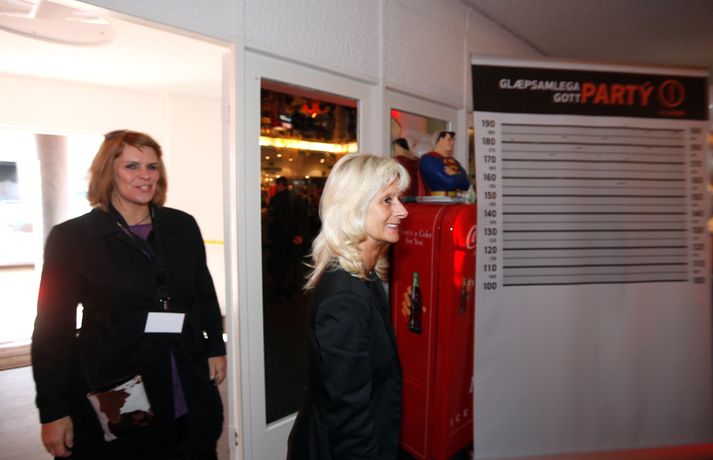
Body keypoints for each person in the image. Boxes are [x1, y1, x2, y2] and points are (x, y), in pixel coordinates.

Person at [31, 129, 226, 459]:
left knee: (195, 444)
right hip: (119, 379)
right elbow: (53, 329)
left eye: (152, 166)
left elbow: (202, 292)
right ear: (109, 171)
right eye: (132, 166)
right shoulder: (73, 238)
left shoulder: (181, 226)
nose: (145, 175)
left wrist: (215, 347)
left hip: (184, 367)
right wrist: (52, 410)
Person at [288, 153, 409, 460]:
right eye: (388, 200)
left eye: (399, 199)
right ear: (353, 207)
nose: (402, 210)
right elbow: (349, 418)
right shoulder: (345, 298)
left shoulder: (364, 274)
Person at [267, 176, 308, 300]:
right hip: (293, 239)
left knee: (279, 267)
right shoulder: (296, 198)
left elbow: (278, 221)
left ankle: (279, 292)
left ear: (279, 184)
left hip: (280, 239)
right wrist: (298, 235)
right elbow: (302, 217)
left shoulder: (276, 199)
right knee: (292, 265)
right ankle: (291, 291)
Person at [418, 131, 471, 196]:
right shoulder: (428, 159)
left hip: (454, 199)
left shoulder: (454, 161)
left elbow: (467, 185)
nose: (453, 143)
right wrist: (460, 175)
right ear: (440, 140)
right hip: (436, 199)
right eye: (449, 139)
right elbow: (449, 183)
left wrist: (455, 175)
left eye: (453, 140)